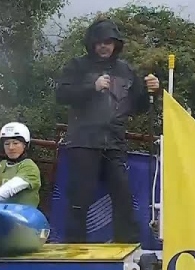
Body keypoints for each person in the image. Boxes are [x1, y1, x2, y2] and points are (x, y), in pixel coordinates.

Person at [55, 17, 160, 243]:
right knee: (78, 199)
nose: (104, 46)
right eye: (100, 41)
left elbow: (140, 106)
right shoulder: (78, 65)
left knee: (123, 196)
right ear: (92, 43)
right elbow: (61, 94)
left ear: (116, 44)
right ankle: (75, 252)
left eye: (109, 42)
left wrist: (152, 90)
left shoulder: (127, 70)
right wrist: (91, 87)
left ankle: (127, 250)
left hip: (115, 143)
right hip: (83, 141)